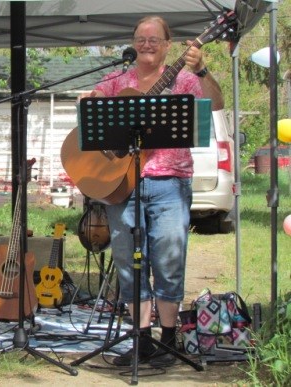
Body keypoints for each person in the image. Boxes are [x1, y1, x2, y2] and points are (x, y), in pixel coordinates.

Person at [81, 16, 224, 367]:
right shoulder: (120, 80)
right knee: (129, 264)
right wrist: (92, 98)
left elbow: (216, 104)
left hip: (170, 184)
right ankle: (141, 339)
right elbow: (95, 105)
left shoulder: (187, 79)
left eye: (154, 39)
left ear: (167, 44)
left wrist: (204, 71)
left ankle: (170, 340)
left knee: (168, 263)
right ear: (133, 42)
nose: (146, 44)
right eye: (141, 38)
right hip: (124, 184)